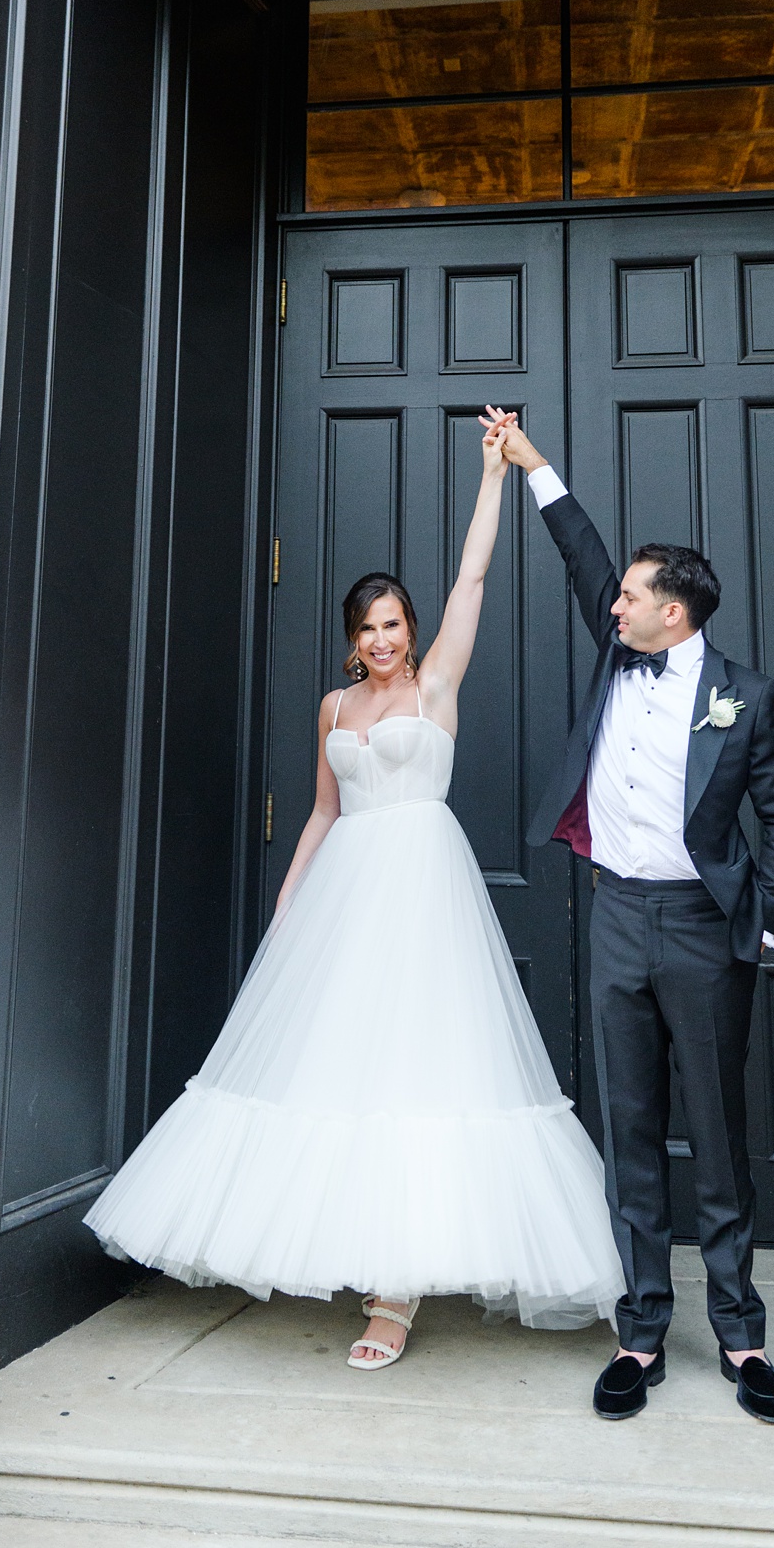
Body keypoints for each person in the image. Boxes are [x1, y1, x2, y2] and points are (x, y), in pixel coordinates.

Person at [85, 415, 624, 1369]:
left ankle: (395, 1296)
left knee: (417, 1069)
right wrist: (293, 898)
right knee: (338, 1069)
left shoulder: (438, 686)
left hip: (422, 894)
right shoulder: (335, 708)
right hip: (343, 894)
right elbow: (324, 810)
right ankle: (357, 1258)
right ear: (352, 640)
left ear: (412, 630)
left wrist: (497, 472)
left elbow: (473, 577)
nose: (380, 640)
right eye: (365, 629)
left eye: (392, 624)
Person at [481, 408, 774, 1425]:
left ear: (675, 613)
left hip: (705, 929)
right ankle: (640, 1330)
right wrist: (535, 463)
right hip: (617, 917)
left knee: (715, 1136)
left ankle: (742, 1333)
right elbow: (580, 549)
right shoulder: (617, 650)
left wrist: (764, 927)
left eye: (632, 594)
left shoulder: (746, 697)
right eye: (618, 593)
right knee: (628, 1128)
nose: (613, 602)